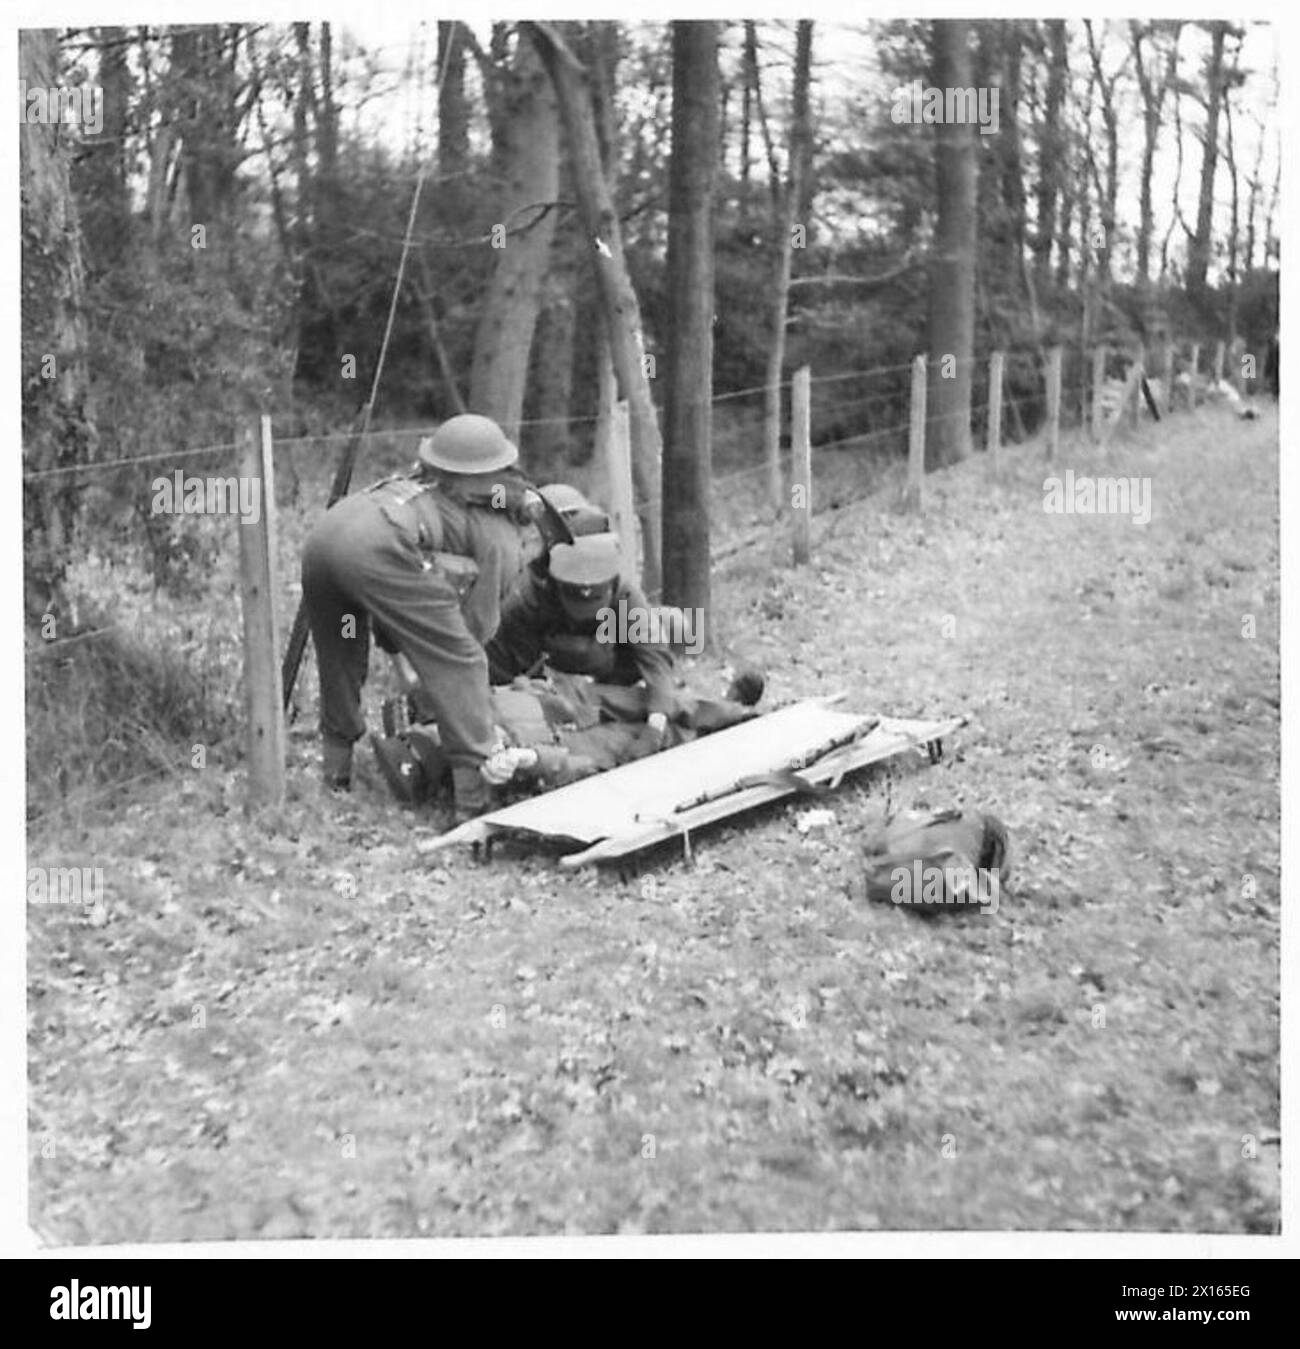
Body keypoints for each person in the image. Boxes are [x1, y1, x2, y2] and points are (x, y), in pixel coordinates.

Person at [300, 413, 529, 819]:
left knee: (340, 658)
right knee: (462, 663)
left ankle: (335, 778)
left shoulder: (412, 485)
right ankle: (473, 805)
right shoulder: (498, 524)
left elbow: (398, 601)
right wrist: (451, 654)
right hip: (379, 547)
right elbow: (477, 627)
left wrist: (405, 646)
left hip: (327, 537)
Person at [484, 531, 678, 740]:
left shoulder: (626, 595)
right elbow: (524, 671)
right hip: (549, 666)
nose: (584, 612)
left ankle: (606, 698)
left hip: (610, 664)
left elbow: (655, 658)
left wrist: (655, 727)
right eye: (577, 605)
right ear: (556, 587)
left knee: (673, 624)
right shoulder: (526, 601)